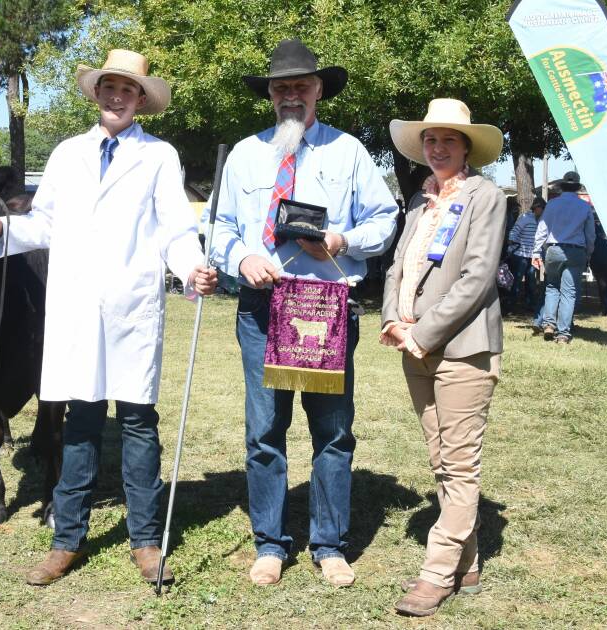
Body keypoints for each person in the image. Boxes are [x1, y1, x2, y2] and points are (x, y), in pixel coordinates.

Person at [0, 48, 218, 585]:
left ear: (141, 100)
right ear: (97, 92)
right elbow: (44, 222)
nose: (117, 96)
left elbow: (174, 229)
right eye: (109, 86)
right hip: (76, 304)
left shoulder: (159, 157)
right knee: (79, 422)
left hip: (131, 307)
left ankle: (146, 541)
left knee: (139, 425)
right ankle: (67, 540)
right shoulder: (68, 153)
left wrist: (193, 268)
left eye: (128, 89)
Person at [210, 38, 398, 588]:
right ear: (270, 94)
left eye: (301, 85)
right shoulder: (246, 153)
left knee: (333, 432)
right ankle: (270, 544)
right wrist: (241, 256)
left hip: (325, 305)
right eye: (281, 86)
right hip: (263, 307)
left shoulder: (350, 153)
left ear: (319, 90)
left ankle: (329, 544)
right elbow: (219, 228)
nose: (291, 94)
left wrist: (342, 239)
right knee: (264, 430)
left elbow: (385, 220)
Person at [380, 98, 505, 617]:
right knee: (441, 459)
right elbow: (396, 268)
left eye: (448, 140)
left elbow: (477, 279)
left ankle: (436, 573)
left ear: (467, 147)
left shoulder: (487, 196)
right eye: (430, 140)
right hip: (413, 346)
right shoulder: (419, 202)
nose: (437, 148)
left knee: (458, 463)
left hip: (462, 348)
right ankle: (468, 560)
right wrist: (392, 318)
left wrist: (424, 331)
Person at [532, 171, 595, 344]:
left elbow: (542, 229)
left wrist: (536, 252)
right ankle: (563, 334)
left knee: (552, 286)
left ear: (562, 186)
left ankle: (549, 325)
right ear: (577, 187)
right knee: (569, 292)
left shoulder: (552, 204)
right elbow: (590, 234)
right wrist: (589, 252)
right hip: (576, 250)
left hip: (553, 249)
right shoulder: (585, 207)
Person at [507, 195, 544, 313]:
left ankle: (530, 305)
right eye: (542, 208)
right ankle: (511, 305)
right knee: (516, 280)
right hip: (520, 254)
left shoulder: (543, 221)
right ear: (536, 208)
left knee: (531, 281)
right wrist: (511, 242)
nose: (543, 211)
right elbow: (515, 231)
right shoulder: (525, 218)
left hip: (532, 256)